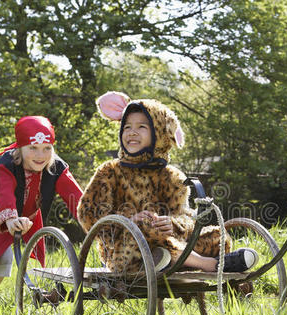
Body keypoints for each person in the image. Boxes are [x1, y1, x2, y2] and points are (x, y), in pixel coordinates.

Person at [77, 91, 258, 274]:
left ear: (159, 134)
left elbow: (185, 216)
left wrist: (173, 224)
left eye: (141, 127)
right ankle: (210, 265)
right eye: (127, 127)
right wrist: (127, 221)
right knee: (144, 225)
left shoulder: (172, 177)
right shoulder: (110, 171)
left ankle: (169, 259)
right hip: (125, 251)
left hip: (169, 243)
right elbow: (88, 214)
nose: (132, 132)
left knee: (217, 236)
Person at [0, 116, 83, 310]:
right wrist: (10, 217)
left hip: (26, 215)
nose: (40, 155)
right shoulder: (8, 163)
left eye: (47, 148)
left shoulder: (55, 167)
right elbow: (4, 191)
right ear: (20, 148)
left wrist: (93, 217)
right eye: (33, 148)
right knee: (0, 259)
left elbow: (77, 198)